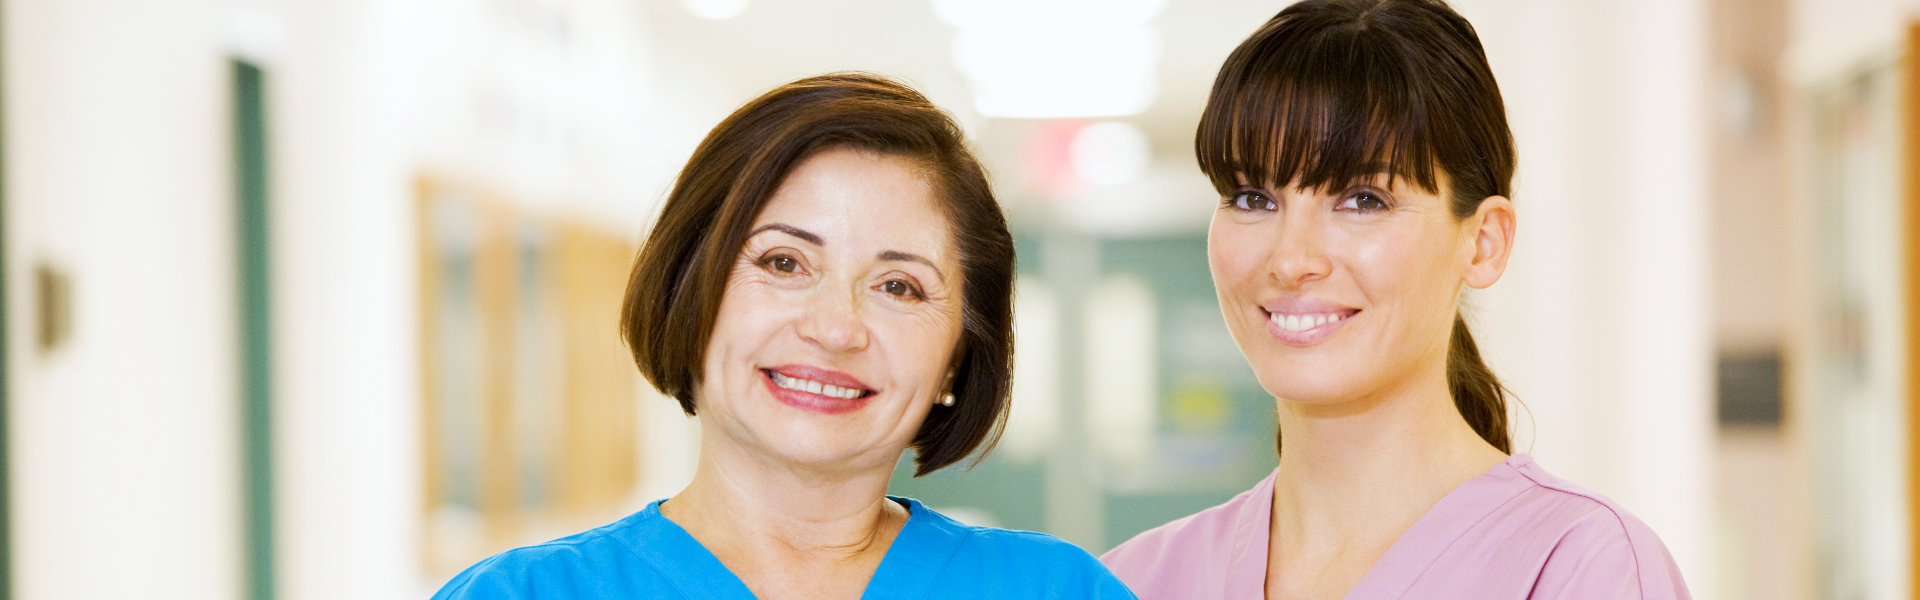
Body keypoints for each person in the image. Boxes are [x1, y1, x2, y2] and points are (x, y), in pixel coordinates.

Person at [433, 73, 1135, 599]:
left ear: (959, 353)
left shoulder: (1057, 589)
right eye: (783, 262)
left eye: (899, 286)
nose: (834, 327)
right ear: (691, 290)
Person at [1098, 1, 1691, 598]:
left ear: (1482, 243)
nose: (1291, 259)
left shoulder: (1582, 568)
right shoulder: (1131, 580)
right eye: (1253, 198)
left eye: (1363, 200)